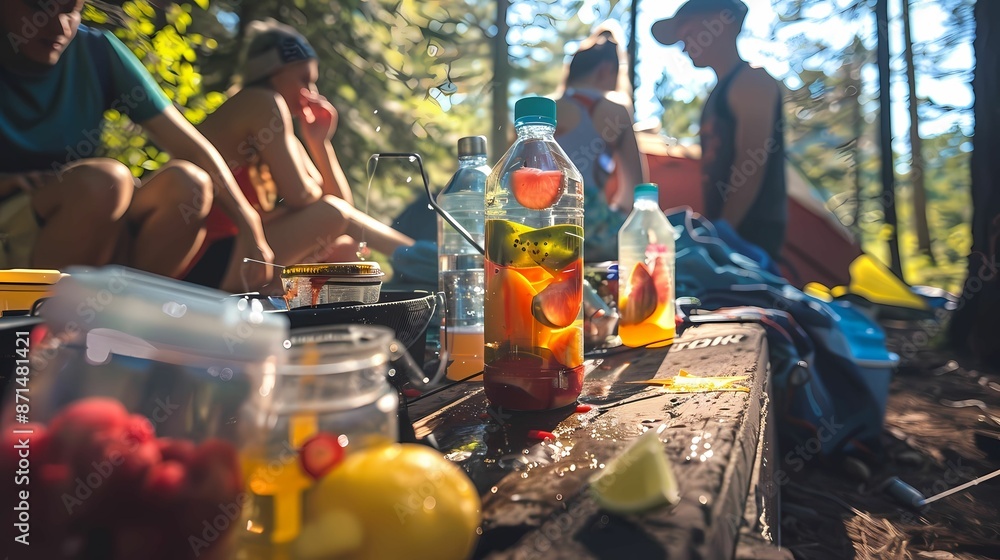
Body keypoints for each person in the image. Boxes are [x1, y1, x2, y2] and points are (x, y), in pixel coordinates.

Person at [0, 0, 277, 291]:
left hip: (82, 220)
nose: (58, 25)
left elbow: (191, 147)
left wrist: (249, 224)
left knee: (188, 184)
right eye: (38, 8)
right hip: (16, 228)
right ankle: (40, 320)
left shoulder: (96, 51)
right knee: (106, 182)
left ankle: (120, 318)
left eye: (70, 10)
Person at [189, 20, 413, 289]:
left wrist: (319, 143)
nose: (312, 93)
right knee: (333, 219)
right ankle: (424, 258)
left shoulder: (282, 133)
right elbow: (307, 199)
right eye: (304, 80)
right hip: (203, 259)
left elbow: (340, 208)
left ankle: (419, 258)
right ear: (275, 71)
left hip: (235, 254)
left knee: (344, 249)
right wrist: (315, 200)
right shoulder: (259, 101)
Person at [652, 0, 787, 261]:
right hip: (727, 236)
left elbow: (751, 163)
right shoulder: (717, 94)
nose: (682, 44)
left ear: (722, 22)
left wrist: (725, 234)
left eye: (687, 31)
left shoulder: (752, 81)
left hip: (751, 239)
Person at [555, 22, 649, 263]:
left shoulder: (542, 110)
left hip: (540, 228)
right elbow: (635, 192)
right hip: (591, 233)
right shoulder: (616, 112)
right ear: (606, 70)